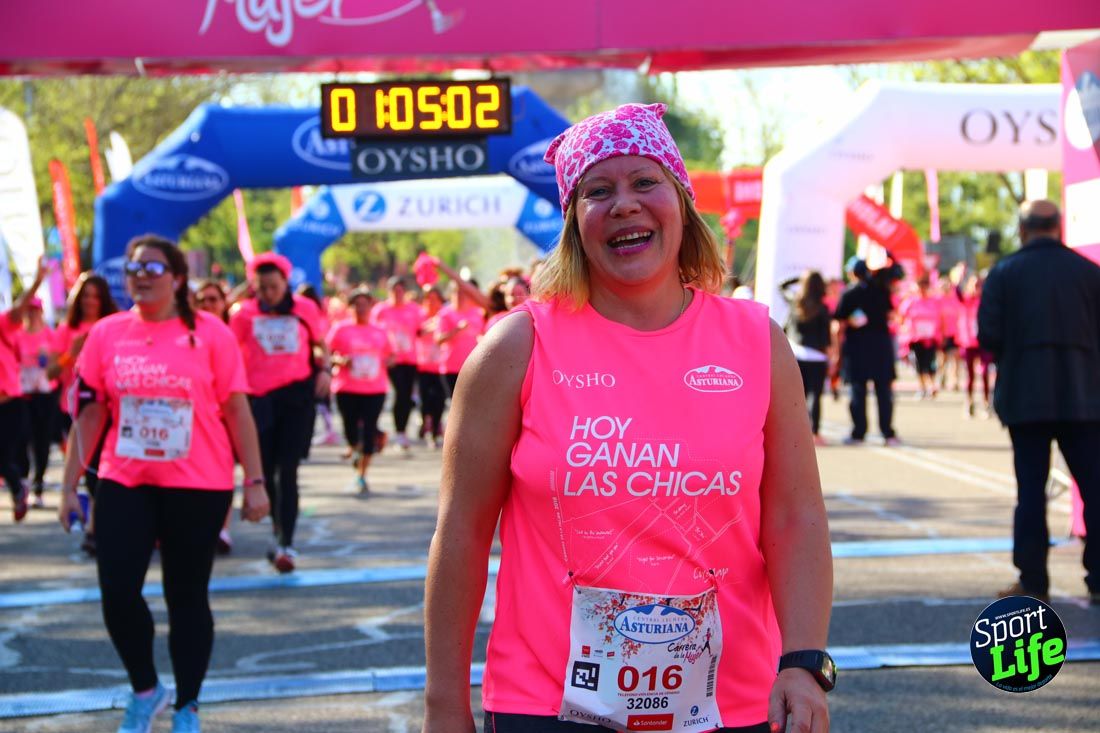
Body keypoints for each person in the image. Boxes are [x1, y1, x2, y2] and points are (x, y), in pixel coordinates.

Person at [423, 103, 834, 733]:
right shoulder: (515, 349)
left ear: (681, 202)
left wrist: (803, 663)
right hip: (549, 703)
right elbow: (461, 534)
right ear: (573, 221)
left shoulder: (756, 341)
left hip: (731, 704)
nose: (624, 205)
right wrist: (444, 705)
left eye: (646, 182)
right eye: (598, 191)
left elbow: (795, 517)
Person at [58, 235, 269, 733]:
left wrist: (255, 481)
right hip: (124, 479)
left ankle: (188, 705)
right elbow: (89, 414)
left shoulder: (211, 334)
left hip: (198, 483)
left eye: (153, 266)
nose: (141, 274)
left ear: (177, 279)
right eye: (133, 267)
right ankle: (146, 689)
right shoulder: (107, 334)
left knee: (186, 596)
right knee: (116, 592)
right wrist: (68, 485)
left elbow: (237, 409)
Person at [978, 200, 1100, 604]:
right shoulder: (1088, 273)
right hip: (1083, 397)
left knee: (1030, 491)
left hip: (1025, 397)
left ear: (1023, 229)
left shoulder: (1005, 272)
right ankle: (1098, 578)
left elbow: (989, 338)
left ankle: (1033, 581)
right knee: (1094, 487)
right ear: (1058, 227)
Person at [229, 253, 330, 573]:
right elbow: (231, 353)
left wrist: (325, 370)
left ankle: (286, 541)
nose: (269, 293)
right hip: (259, 399)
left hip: (296, 396)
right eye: (262, 288)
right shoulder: (243, 314)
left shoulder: (305, 309)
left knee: (288, 470)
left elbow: (319, 343)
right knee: (268, 469)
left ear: (286, 283)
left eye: (273, 286)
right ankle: (277, 529)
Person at [50, 272, 119, 554]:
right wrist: (72, 353)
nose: (91, 300)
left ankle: (95, 528)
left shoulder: (113, 327)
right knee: (83, 464)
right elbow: (52, 372)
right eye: (86, 295)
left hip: (107, 408)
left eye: (96, 295)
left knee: (102, 471)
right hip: (74, 409)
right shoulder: (66, 331)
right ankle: (91, 520)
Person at [328, 287, 393, 494]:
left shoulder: (380, 331)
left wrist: (384, 361)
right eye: (357, 305)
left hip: (375, 388)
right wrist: (339, 360)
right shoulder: (340, 329)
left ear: (371, 307)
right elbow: (327, 353)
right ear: (351, 307)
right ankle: (354, 447)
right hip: (346, 388)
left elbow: (390, 355)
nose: (361, 309)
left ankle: (362, 476)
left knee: (369, 430)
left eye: (365, 305)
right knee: (350, 430)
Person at [1, 257, 48, 521]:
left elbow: (18, 309)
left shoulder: (3, 324)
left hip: (10, 404)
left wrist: (38, 281)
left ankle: (20, 487)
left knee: (6, 456)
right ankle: (19, 486)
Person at [834, 257, 899, 445]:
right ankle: (888, 433)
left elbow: (839, 322)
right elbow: (890, 314)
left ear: (853, 273)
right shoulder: (881, 291)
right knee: (883, 392)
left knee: (858, 391)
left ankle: (858, 432)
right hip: (881, 347)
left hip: (858, 349)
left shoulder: (849, 294)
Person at [195, 280, 236, 554]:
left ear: (224, 303)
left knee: (222, 470)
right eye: (202, 300)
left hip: (227, 416)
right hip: (195, 418)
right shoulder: (187, 333)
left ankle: (221, 527)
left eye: (213, 299)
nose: (208, 304)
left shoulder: (235, 333)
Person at [371, 276, 422, 454]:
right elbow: (373, 332)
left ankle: (402, 432)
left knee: (405, 397)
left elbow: (420, 330)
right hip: (390, 360)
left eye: (401, 290)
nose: (398, 294)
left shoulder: (414, 309)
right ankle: (386, 430)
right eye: (394, 290)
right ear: (389, 291)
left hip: (410, 359)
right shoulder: (381, 310)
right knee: (394, 393)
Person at [781, 271, 833, 446]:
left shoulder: (795, 303)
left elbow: (781, 286)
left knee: (797, 398)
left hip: (797, 355)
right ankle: (815, 433)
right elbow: (826, 336)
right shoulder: (823, 308)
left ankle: (795, 434)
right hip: (817, 356)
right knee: (815, 396)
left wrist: (799, 278)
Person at [15, 297, 59, 506]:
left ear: (41, 312)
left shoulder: (50, 335)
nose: (32, 314)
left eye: (35, 310)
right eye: (28, 310)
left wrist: (47, 359)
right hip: (22, 394)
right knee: (22, 437)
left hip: (45, 393)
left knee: (42, 442)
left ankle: (38, 485)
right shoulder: (17, 336)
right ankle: (24, 479)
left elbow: (57, 364)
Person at [898, 274, 942, 400]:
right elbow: (900, 317)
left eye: (925, 286)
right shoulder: (910, 302)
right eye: (920, 286)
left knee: (931, 363)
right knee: (918, 363)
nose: (922, 289)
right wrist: (905, 329)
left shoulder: (934, 302)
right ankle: (922, 387)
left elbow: (940, 318)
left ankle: (932, 385)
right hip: (915, 339)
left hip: (930, 338)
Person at [415, 285, 447, 448]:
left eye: (435, 298)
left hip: (441, 365)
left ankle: (435, 430)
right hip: (423, 365)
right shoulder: (419, 315)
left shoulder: (445, 314)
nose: (431, 302)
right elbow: (416, 332)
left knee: (439, 400)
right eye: (428, 298)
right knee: (425, 399)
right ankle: (425, 421)